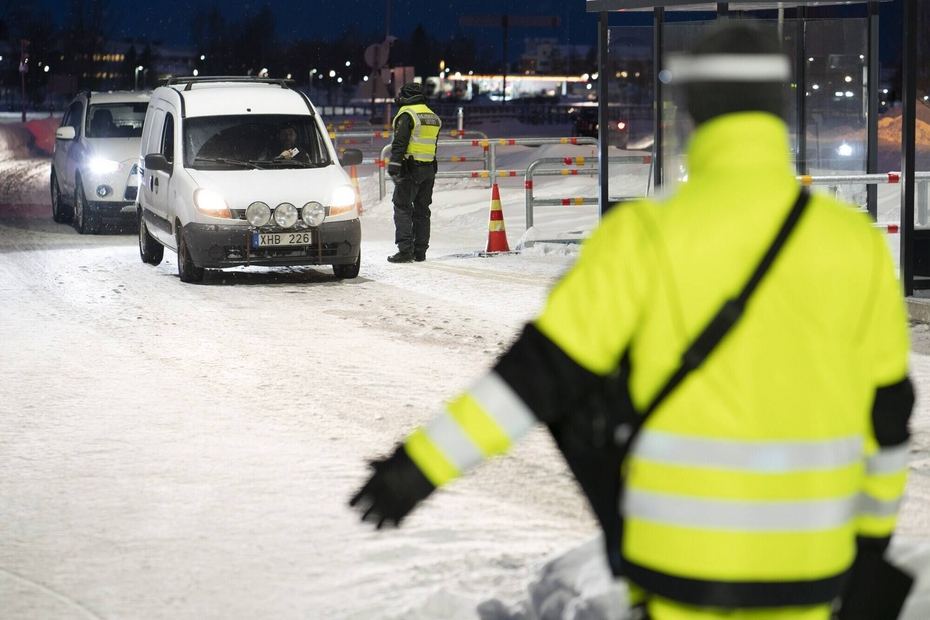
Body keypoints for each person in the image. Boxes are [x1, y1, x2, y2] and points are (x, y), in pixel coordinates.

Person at [350, 22, 915, 620]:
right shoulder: (855, 245)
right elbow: (889, 419)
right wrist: (869, 545)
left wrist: (414, 472)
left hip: (675, 565)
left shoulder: (641, 237)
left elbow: (531, 381)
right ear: (780, 106)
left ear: (690, 111)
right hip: (815, 566)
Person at [386, 82, 441, 263]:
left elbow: (400, 142)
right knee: (422, 210)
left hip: (410, 169)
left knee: (402, 206)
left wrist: (394, 165)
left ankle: (405, 250)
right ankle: (420, 251)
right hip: (429, 169)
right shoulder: (431, 115)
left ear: (405, 95)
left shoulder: (407, 114)